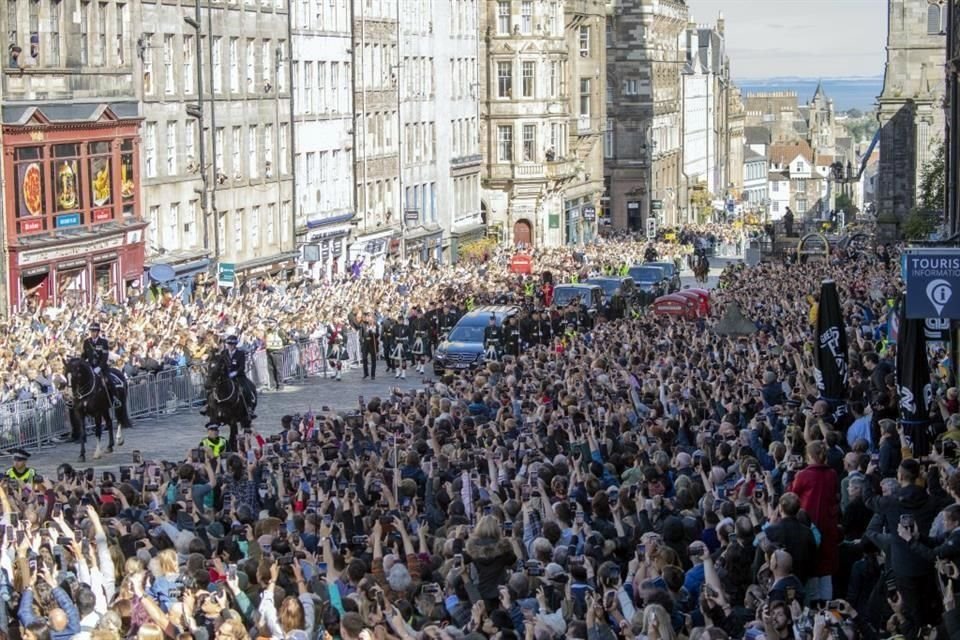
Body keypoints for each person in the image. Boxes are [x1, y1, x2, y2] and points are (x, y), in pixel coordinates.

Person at [81, 322, 119, 408]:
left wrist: (99, 367)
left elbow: (105, 357)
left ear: (98, 332)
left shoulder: (103, 342)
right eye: (92, 331)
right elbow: (84, 355)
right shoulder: (87, 342)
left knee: (108, 380)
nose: (93, 333)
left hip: (101, 367)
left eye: (95, 331)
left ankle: (115, 397)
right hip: (91, 367)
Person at [221, 334, 257, 420]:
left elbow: (242, 367)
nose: (230, 346)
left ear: (235, 345)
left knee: (247, 389)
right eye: (228, 344)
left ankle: (249, 407)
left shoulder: (240, 354)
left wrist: (234, 373)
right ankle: (209, 406)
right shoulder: (224, 353)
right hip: (225, 376)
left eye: (231, 344)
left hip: (238, 376)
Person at [361, 313, 380, 380]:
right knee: (364, 359)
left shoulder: (375, 325)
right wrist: (362, 341)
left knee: (373, 360)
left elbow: (377, 334)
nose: (368, 318)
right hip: (365, 344)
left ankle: (373, 374)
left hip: (372, 343)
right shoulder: (363, 324)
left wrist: (374, 332)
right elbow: (361, 334)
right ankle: (365, 373)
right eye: (368, 317)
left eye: (370, 317)